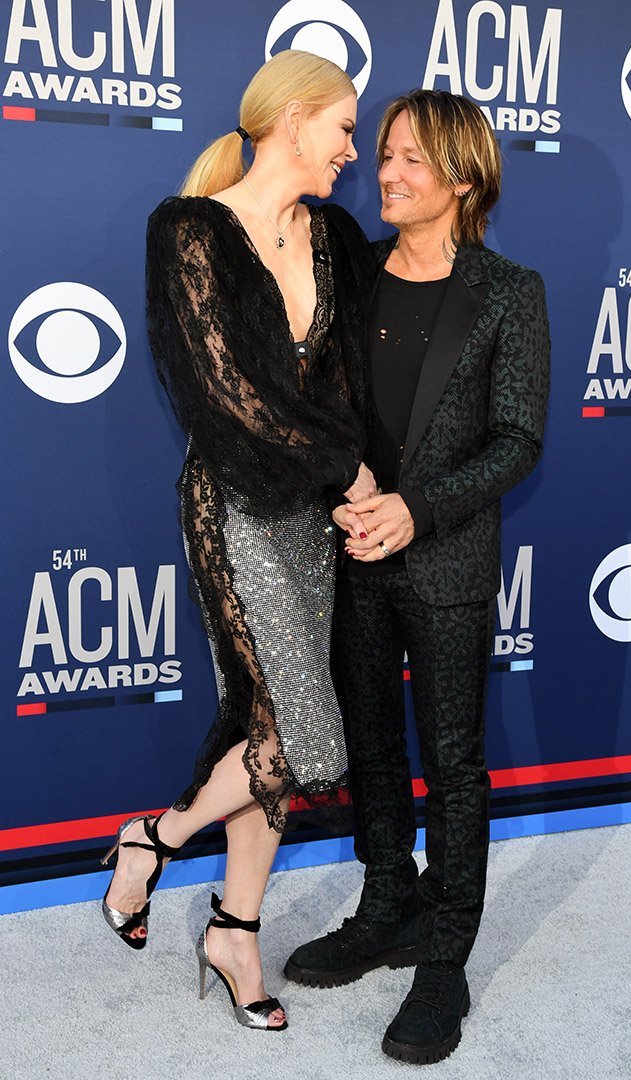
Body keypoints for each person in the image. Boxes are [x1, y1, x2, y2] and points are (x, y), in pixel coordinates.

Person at [100, 50, 377, 1033]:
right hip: (239, 509)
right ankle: (154, 837)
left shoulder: (335, 236)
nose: (354, 149)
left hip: (317, 520)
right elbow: (224, 397)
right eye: (344, 125)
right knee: (308, 742)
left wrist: (354, 491)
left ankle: (235, 928)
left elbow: (348, 378)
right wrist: (347, 471)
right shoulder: (190, 231)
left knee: (269, 724)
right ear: (294, 117)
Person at [284, 90, 551, 1063]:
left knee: (454, 763)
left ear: (464, 178)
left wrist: (419, 510)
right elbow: (319, 401)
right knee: (375, 752)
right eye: (383, 155)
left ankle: (445, 958)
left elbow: (519, 436)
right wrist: (349, 490)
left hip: (442, 562)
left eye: (409, 161)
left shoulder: (508, 291)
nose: (386, 173)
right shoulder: (353, 277)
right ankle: (388, 902)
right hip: (354, 555)